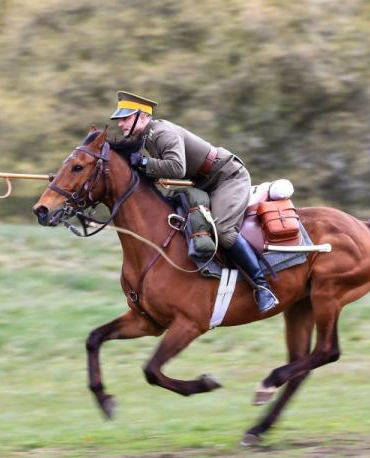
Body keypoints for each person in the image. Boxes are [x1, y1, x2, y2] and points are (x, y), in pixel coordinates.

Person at [109, 91, 279, 313]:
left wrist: (143, 161)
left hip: (227, 177)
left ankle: (262, 287)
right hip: (204, 183)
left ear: (142, 116)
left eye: (125, 118)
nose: (121, 124)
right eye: (120, 119)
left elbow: (177, 168)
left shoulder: (161, 132)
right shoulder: (145, 137)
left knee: (222, 230)